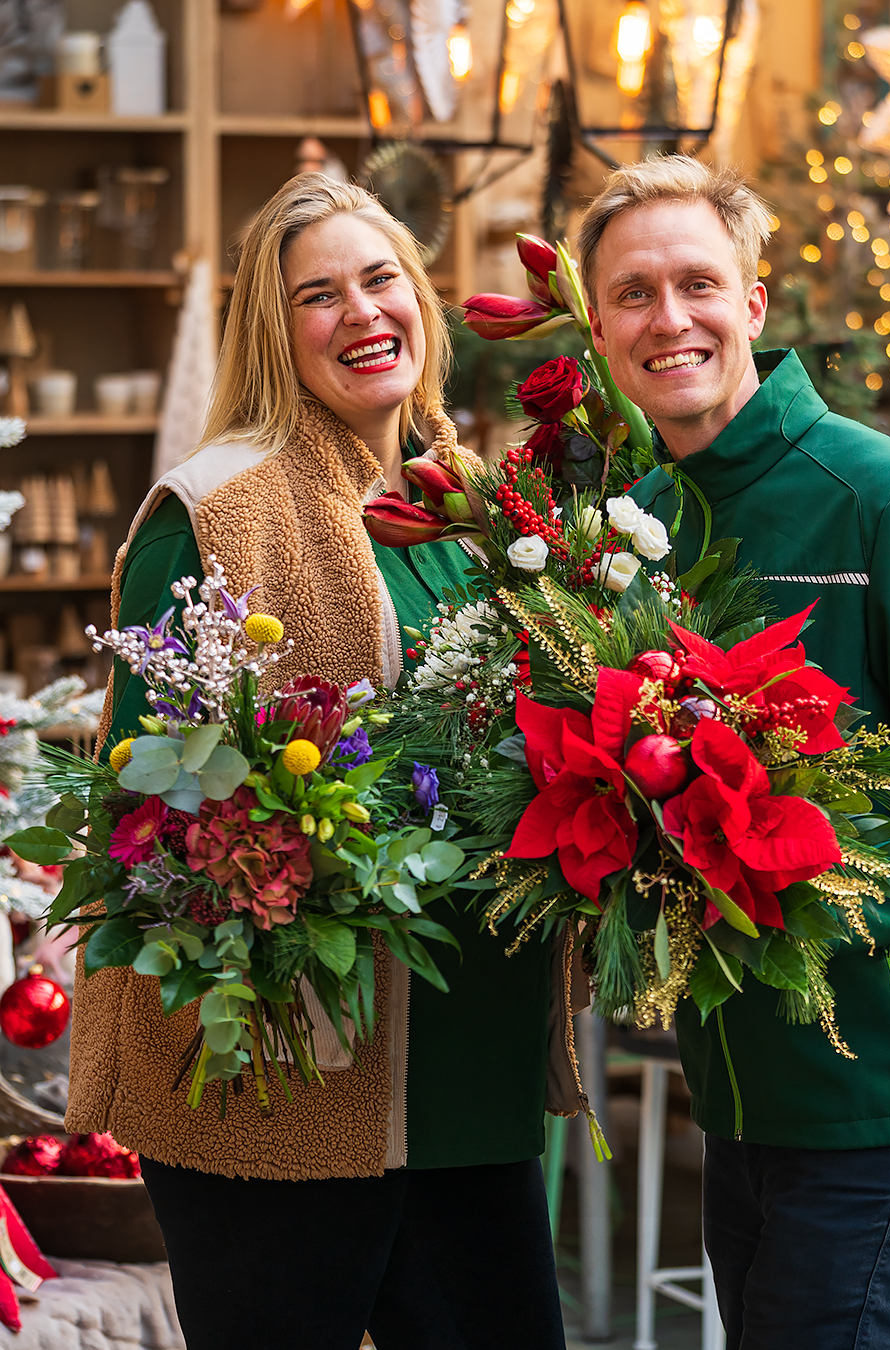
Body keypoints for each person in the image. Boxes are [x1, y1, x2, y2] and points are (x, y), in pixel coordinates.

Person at [66, 174, 574, 1350]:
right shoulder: (215, 512)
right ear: (271, 331)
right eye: (318, 295)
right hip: (282, 1090)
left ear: (422, 302)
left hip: (473, 1079)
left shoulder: (482, 511)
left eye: (381, 279)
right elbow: (142, 828)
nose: (361, 311)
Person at [577, 155, 890, 1350]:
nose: (668, 318)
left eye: (698, 283)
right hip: (738, 1092)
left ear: (752, 303)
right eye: (633, 293)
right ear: (598, 331)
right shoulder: (640, 526)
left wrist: (807, 887)